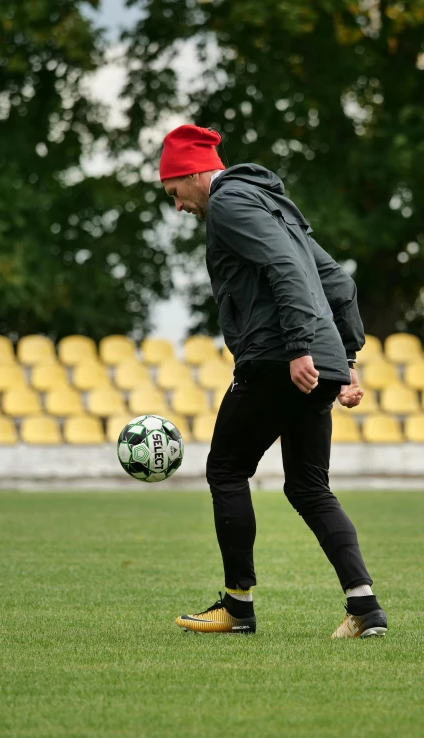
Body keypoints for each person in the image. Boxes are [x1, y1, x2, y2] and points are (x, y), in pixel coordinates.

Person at [159, 124, 387, 639]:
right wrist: (345, 357)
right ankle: (365, 608)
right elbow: (339, 282)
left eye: (174, 193)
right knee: (309, 486)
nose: (177, 207)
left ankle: (237, 608)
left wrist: (302, 346)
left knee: (226, 468)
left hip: (279, 356)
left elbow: (284, 266)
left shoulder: (229, 204)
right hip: (316, 357)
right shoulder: (273, 206)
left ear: (194, 175)